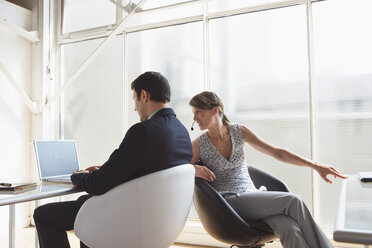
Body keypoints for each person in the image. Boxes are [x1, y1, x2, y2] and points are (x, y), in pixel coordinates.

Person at [33, 71, 193, 248]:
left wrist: (78, 176)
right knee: (85, 204)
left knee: (43, 215)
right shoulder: (181, 132)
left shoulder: (143, 131)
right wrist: (105, 170)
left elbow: (99, 184)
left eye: (134, 99)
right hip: (157, 220)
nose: (134, 107)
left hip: (128, 217)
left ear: (144, 95)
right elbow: (148, 169)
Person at [189, 91, 347, 248]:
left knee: (289, 227)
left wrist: (316, 166)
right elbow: (176, 168)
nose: (195, 118)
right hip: (228, 204)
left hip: (252, 195)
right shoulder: (199, 145)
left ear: (215, 110)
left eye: (198, 112)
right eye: (193, 113)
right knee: (294, 201)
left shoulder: (239, 132)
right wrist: (193, 168)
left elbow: (276, 152)